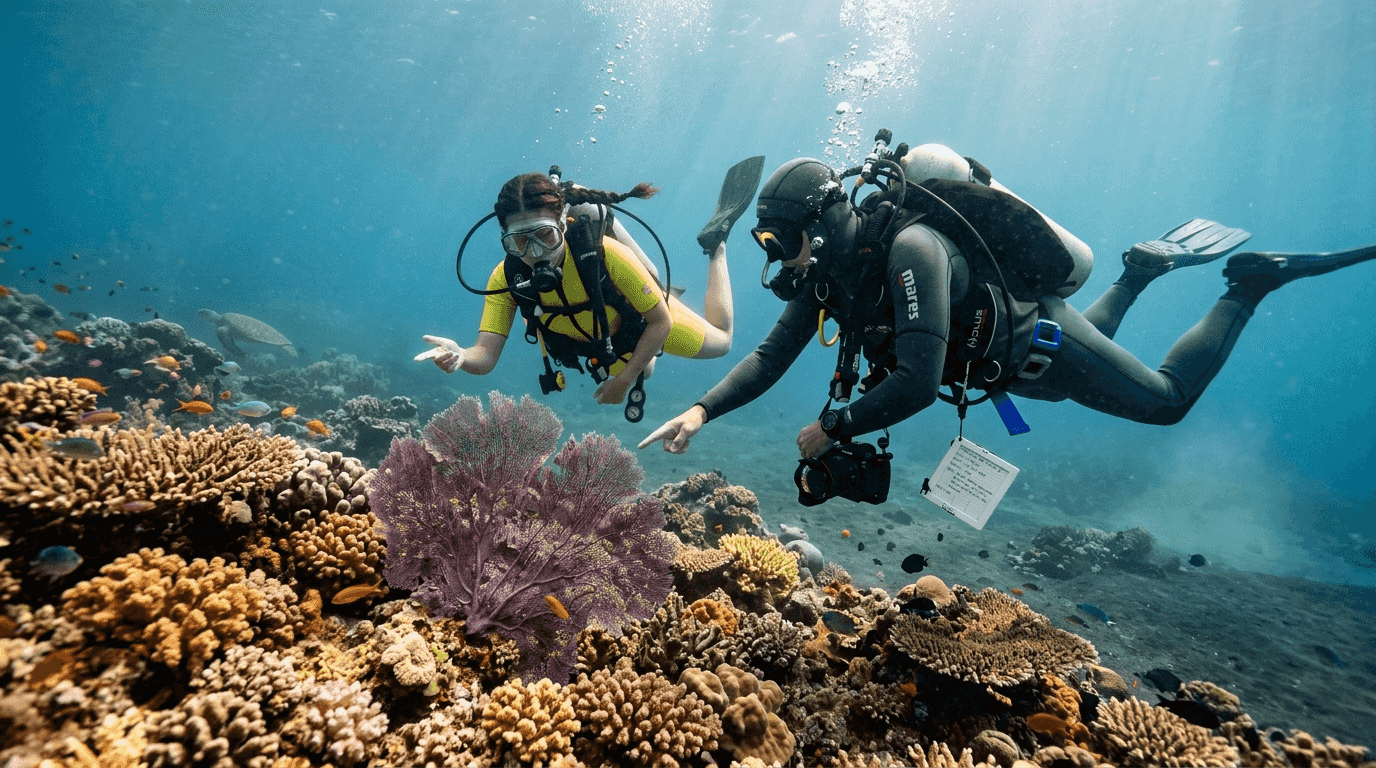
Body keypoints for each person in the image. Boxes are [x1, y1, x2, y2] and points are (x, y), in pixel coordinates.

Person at [640, 142, 1376, 467]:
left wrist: (836, 426)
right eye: (767, 243)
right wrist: (702, 411)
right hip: (1011, 368)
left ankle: (1248, 286)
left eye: (784, 240)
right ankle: (1138, 274)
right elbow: (771, 356)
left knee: (1164, 402)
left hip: (1037, 342)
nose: (779, 259)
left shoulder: (912, 249)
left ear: (825, 223)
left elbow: (917, 384)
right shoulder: (831, 274)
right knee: (1071, 371)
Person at [418, 159, 763, 416]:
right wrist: (462, 356)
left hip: (643, 322)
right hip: (603, 344)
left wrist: (624, 382)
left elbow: (660, 323)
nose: (534, 254)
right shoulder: (507, 279)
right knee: (645, 369)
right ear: (504, 239)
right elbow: (486, 355)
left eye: (545, 236)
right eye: (519, 242)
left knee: (722, 342)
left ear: (563, 223)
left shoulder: (605, 255)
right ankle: (644, 323)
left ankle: (716, 246)